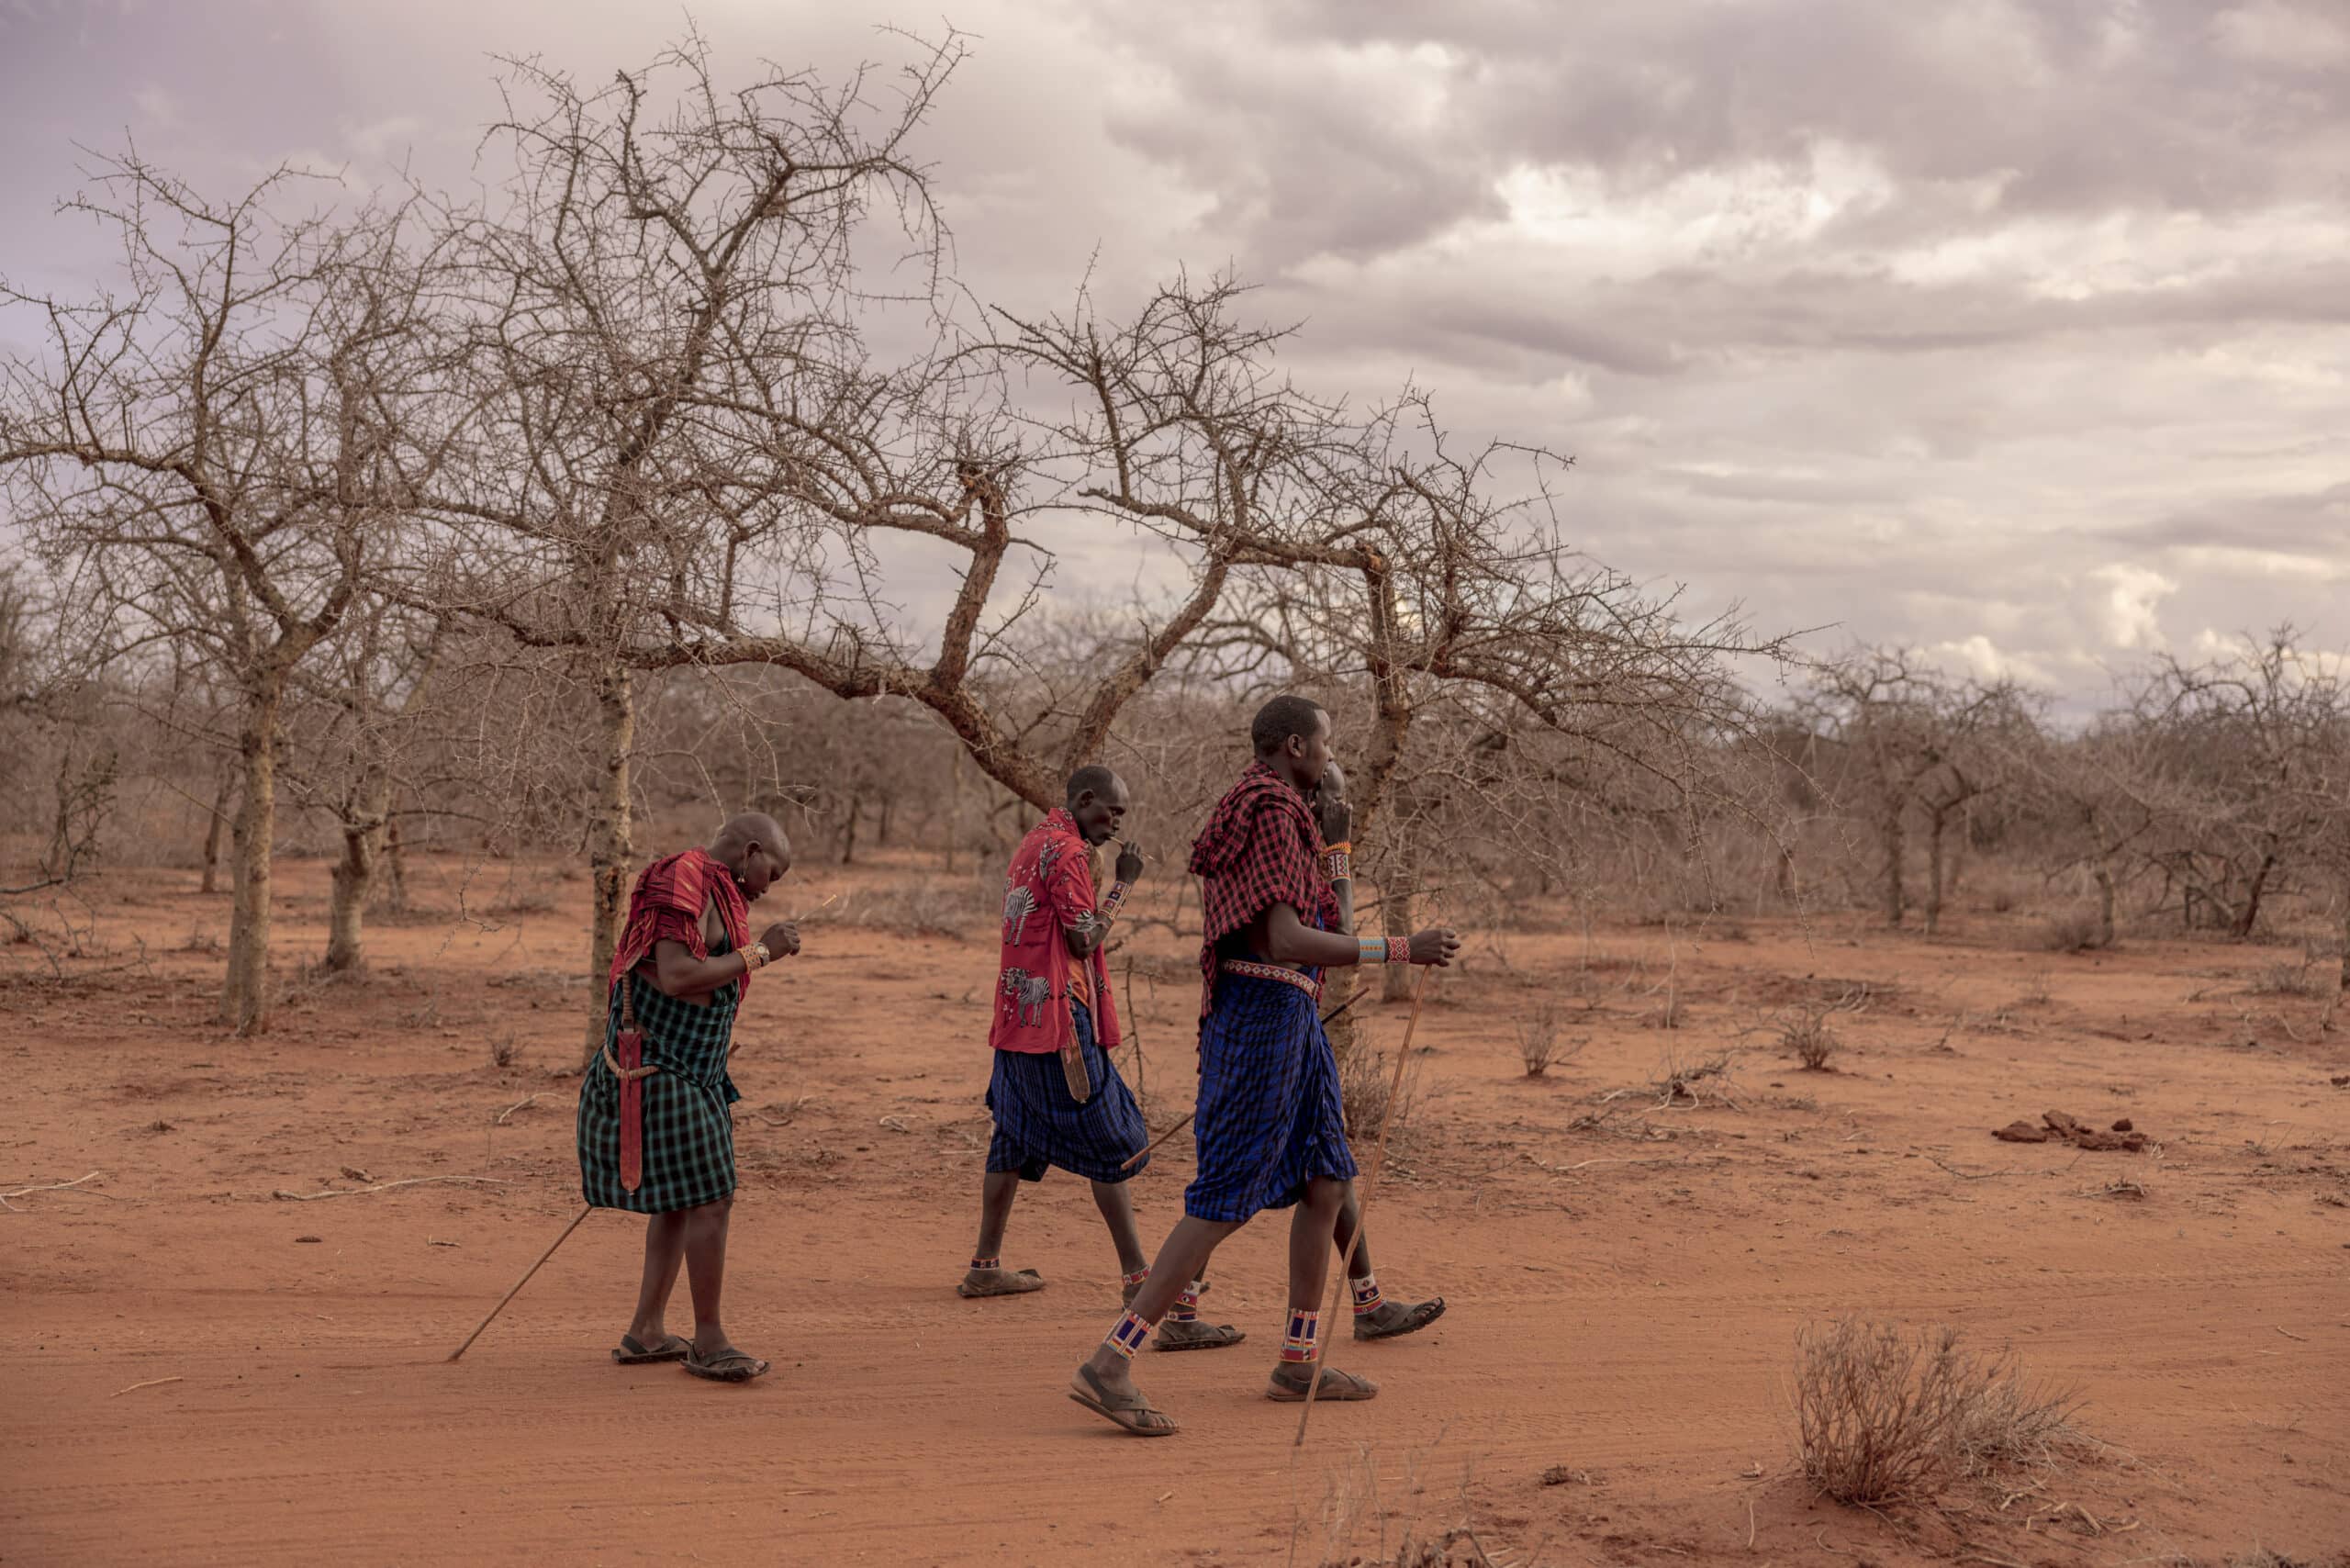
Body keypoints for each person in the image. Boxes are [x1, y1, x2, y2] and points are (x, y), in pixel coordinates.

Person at [1069, 697, 1460, 1435]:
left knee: (1325, 1179)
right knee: (1220, 1199)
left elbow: (1328, 930)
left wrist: (1337, 851)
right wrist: (1403, 947)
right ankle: (1111, 1364)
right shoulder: (1273, 811)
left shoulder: (1274, 813)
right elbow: (1286, 940)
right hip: (1262, 1021)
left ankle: (1298, 1362)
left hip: (1290, 1021)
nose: (1329, 755)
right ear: (1293, 747)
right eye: (1324, 743)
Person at [959, 766, 1244, 1351]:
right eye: (1111, 812)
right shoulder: (1067, 854)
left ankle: (985, 1266)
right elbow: (1084, 940)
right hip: (1059, 1022)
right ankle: (1140, 1281)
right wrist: (1125, 883)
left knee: (1013, 1133)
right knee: (1113, 1142)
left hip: (1017, 1017)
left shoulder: (1033, 842)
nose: (1116, 823)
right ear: (1084, 800)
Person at [576, 812, 800, 1383]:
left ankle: (647, 1332)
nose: (767, 887)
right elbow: (676, 975)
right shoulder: (686, 880)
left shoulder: (711, 889)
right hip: (662, 1066)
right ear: (751, 851)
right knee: (711, 1199)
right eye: (770, 871)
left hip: (690, 1068)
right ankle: (710, 1342)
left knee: (679, 1200)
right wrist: (763, 954)